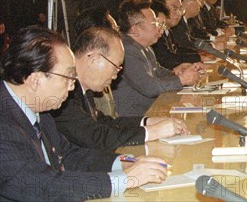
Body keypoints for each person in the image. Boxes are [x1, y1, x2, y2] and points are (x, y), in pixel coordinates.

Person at [0, 26, 168, 200]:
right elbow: (41, 185)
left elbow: (69, 155)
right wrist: (124, 180)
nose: (72, 86)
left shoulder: (39, 110)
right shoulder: (4, 124)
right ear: (36, 80)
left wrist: (123, 162)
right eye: (68, 78)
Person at [51, 27, 189, 151]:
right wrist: (153, 132)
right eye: (115, 67)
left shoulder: (83, 88)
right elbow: (96, 137)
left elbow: (103, 122)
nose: (116, 76)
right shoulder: (63, 93)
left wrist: (147, 121)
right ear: (94, 59)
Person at [113, 0, 200, 116]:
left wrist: (176, 73)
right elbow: (149, 87)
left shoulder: (145, 46)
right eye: (155, 24)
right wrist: (181, 80)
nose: (160, 28)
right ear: (135, 29)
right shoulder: (127, 50)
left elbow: (157, 71)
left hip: (154, 109)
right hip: (137, 118)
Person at [152, 0, 202, 69]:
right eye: (174, 9)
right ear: (160, 9)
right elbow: (167, 59)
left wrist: (199, 55)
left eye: (180, 9)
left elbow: (178, 50)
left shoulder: (169, 30)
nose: (179, 13)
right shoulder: (155, 33)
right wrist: (198, 57)